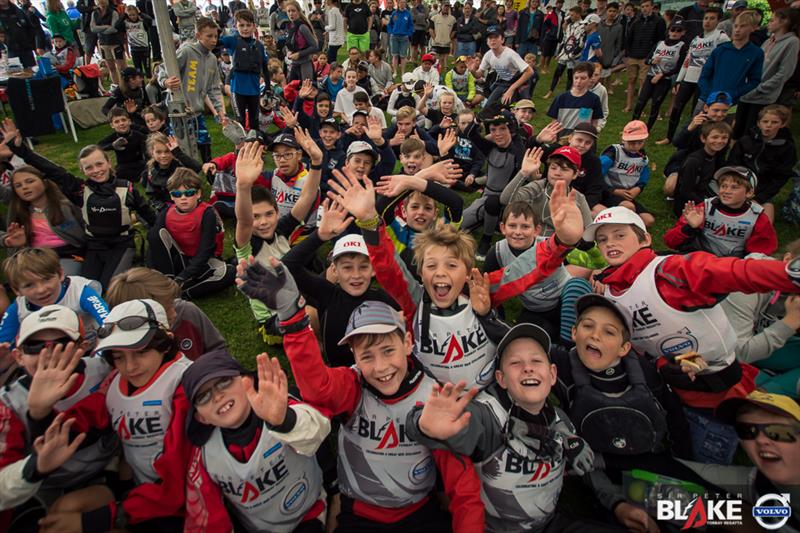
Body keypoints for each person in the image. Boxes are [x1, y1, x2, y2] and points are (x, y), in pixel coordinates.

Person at [582, 207, 800, 463]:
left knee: (704, 474)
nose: (610, 244)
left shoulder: (669, 272)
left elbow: (730, 272)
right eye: (603, 239)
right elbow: (646, 346)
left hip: (718, 401)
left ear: (645, 239)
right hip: (673, 394)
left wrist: (788, 275)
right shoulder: (610, 292)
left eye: (619, 235)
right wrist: (667, 365)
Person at [406, 324, 619, 533]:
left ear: (552, 374)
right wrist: (423, 425)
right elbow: (448, 426)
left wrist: (618, 503)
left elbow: (584, 461)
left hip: (550, 524)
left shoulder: (559, 418)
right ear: (501, 379)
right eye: (515, 363)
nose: (528, 368)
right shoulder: (487, 417)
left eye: (536, 360)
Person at [25, 299, 192, 531]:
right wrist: (39, 412)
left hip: (181, 498)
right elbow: (77, 423)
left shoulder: (183, 382)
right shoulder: (116, 382)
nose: (130, 366)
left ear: (165, 344)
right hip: (138, 485)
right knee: (61, 512)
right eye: (119, 357)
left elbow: (176, 483)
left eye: (140, 352)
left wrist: (97, 520)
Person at [181, 350, 331, 532]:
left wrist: (284, 421)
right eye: (203, 396)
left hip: (308, 514)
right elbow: (207, 517)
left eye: (224, 382)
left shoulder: (278, 407)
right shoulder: (205, 455)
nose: (217, 396)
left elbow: (318, 431)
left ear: (248, 381)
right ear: (201, 418)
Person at [0, 306, 115, 530]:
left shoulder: (106, 371)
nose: (48, 353)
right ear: (19, 356)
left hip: (108, 474)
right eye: (35, 346)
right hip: (41, 489)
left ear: (83, 347)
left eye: (61, 343)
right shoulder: (8, 402)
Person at [233, 135, 322, 343]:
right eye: (256, 216)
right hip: (273, 318)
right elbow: (244, 221)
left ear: (276, 212)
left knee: (335, 275)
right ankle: (317, 357)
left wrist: (317, 163)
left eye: (268, 214)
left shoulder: (281, 229)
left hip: (293, 296)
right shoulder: (247, 245)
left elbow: (307, 197)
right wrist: (243, 186)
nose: (263, 222)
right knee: (314, 314)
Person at [722, 241, 800, 395]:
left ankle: (769, 389)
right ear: (787, 260)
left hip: (768, 350)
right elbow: (737, 354)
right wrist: (789, 323)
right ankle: (765, 393)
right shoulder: (750, 279)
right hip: (729, 357)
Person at [147, 169, 234, 299]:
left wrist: (183, 276)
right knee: (155, 233)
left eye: (188, 193)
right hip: (179, 259)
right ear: (171, 196)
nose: (183, 198)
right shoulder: (166, 212)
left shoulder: (207, 213)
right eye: (177, 194)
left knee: (229, 272)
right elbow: (155, 243)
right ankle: (166, 282)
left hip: (201, 261)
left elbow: (206, 250)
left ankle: (182, 293)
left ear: (198, 193)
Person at [105, 267, 225, 361]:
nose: (174, 314)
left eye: (172, 303)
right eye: (166, 310)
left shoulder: (186, 312)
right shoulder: (122, 349)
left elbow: (218, 349)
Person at [0, 248, 108, 345]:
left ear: (61, 274)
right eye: (29, 285)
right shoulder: (18, 308)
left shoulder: (79, 292)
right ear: (17, 290)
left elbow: (108, 322)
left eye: (47, 279)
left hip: (90, 352)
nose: (41, 289)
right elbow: (4, 344)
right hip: (43, 359)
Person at [666, 165, 777, 258]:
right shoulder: (704, 208)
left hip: (731, 268)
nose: (726, 191)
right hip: (698, 259)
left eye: (734, 187)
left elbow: (759, 255)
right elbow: (670, 242)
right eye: (724, 186)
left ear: (749, 192)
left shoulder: (757, 218)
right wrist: (689, 227)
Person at [163, 17, 228, 163]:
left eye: (216, 36)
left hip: (197, 111)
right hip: (179, 111)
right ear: (198, 35)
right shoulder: (187, 51)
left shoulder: (212, 59)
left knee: (204, 143)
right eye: (209, 36)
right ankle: (182, 177)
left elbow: (214, 89)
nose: (213, 40)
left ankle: (209, 173)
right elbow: (163, 68)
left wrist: (219, 110)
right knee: (179, 148)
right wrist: (165, 81)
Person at [661, 6, 728, 145]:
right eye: (706, 18)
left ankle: (692, 138)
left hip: (705, 82)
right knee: (676, 108)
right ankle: (669, 137)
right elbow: (687, 60)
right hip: (688, 78)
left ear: (718, 21)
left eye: (712, 18)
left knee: (697, 112)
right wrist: (679, 80)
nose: (707, 21)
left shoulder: (721, 37)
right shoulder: (695, 40)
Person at [3, 164, 87, 275]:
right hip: (35, 257)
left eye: (30, 181)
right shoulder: (19, 212)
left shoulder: (65, 207)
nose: (24, 187)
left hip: (68, 255)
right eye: (18, 186)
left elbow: (83, 232)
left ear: (45, 182)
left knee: (58, 280)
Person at [733, 8, 800, 140]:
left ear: (784, 21)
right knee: (737, 131)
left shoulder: (792, 42)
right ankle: (733, 158)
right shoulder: (768, 41)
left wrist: (761, 88)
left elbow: (784, 73)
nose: (768, 23)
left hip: (762, 97)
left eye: (772, 20)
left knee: (750, 134)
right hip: (747, 93)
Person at [727, 104, 798, 222]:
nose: (768, 126)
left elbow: (780, 178)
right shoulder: (745, 141)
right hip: (740, 184)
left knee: (766, 218)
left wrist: (760, 198)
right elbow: (732, 165)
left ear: (783, 124)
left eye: (774, 122)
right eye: (765, 121)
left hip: (763, 191)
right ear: (759, 123)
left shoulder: (787, 148)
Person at [697, 9, 764, 109]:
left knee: (724, 125)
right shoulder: (720, 50)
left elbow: (754, 80)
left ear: (753, 28)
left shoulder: (756, 53)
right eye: (736, 26)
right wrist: (710, 95)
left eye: (743, 26)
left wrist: (734, 93)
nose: (737, 30)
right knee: (695, 123)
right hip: (707, 99)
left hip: (731, 102)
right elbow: (704, 75)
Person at [219, 10, 271, 131]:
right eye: (241, 25)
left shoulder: (259, 45)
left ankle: (256, 145)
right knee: (240, 121)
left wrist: (268, 87)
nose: (245, 28)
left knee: (254, 121)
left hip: (254, 89)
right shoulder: (232, 41)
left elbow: (265, 67)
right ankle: (241, 148)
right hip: (238, 89)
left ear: (254, 26)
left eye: (248, 25)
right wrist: (218, 26)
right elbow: (215, 41)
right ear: (236, 26)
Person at [632, 20, 687, 131]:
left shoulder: (682, 46)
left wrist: (663, 74)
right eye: (673, 29)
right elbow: (647, 60)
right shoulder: (659, 43)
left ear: (683, 32)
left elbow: (679, 67)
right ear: (669, 31)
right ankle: (632, 127)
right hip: (651, 76)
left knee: (655, 105)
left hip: (664, 79)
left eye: (678, 30)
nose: (675, 32)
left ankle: (647, 130)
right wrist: (652, 61)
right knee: (640, 102)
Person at [597, 120, 655, 227]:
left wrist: (638, 188)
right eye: (632, 142)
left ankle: (622, 222)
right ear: (623, 139)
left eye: (640, 142)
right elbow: (596, 176)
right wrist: (614, 191)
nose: (636, 146)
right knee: (629, 207)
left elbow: (643, 176)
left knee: (649, 220)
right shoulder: (613, 153)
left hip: (626, 195)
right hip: (607, 192)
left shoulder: (643, 157)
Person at [671, 120, 731, 215]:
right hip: (688, 205)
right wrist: (708, 204)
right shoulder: (694, 161)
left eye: (724, 138)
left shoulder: (717, 156)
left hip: (705, 194)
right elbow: (686, 191)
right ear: (703, 138)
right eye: (715, 137)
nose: (719, 141)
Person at [468, 25, 534, 108]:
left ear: (502, 40)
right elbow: (479, 74)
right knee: (488, 107)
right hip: (504, 82)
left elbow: (530, 71)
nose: (493, 40)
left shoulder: (510, 54)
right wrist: (472, 70)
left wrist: (511, 89)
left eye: (496, 37)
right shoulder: (488, 55)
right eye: (490, 38)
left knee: (514, 108)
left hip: (520, 82)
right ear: (487, 42)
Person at [622, 0, 666, 114]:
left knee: (643, 82)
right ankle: (629, 105)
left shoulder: (659, 21)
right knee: (631, 80)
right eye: (642, 6)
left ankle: (639, 107)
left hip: (647, 57)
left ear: (652, 7)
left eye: (647, 6)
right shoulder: (636, 21)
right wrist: (627, 53)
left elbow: (660, 40)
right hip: (633, 55)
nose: (644, 8)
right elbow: (629, 38)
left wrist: (652, 56)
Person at [142, 132, 203, 213]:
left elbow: (197, 167)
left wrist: (178, 153)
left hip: (187, 202)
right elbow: (152, 196)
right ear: (152, 153)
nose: (163, 155)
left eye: (167, 151)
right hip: (166, 207)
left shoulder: (179, 165)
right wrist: (163, 209)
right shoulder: (151, 172)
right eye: (158, 152)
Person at [546, 61, 604, 133]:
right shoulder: (561, 98)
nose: (578, 81)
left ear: (590, 78)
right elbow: (554, 122)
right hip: (561, 138)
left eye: (583, 78)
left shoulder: (594, 99)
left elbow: (594, 123)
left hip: (582, 138)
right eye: (576, 78)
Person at [543, 6, 584, 98]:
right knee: (558, 71)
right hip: (565, 52)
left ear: (578, 14)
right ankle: (550, 91)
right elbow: (565, 39)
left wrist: (573, 54)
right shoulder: (569, 25)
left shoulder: (583, 26)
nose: (571, 17)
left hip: (574, 54)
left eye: (572, 15)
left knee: (571, 74)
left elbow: (581, 43)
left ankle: (567, 94)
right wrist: (560, 52)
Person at [98, 108, 148, 184]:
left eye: (123, 120)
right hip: (123, 166)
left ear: (129, 121)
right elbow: (99, 146)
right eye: (117, 122)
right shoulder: (113, 137)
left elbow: (148, 141)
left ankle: (141, 177)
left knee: (148, 167)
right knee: (118, 172)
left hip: (139, 163)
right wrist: (112, 145)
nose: (121, 123)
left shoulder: (138, 135)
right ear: (112, 125)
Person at [91, 0, 125, 89]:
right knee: (111, 67)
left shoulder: (113, 12)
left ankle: (124, 86)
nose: (101, 2)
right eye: (99, 1)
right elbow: (93, 28)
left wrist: (100, 29)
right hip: (103, 43)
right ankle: (116, 86)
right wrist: (106, 27)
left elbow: (114, 28)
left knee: (121, 67)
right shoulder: (94, 13)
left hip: (115, 42)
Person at [285, 0, 319, 82]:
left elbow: (315, 46)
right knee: (291, 89)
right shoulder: (291, 26)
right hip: (294, 63)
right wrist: (289, 51)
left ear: (299, 12)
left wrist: (299, 54)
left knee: (306, 89)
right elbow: (290, 44)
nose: (291, 13)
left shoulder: (302, 27)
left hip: (305, 63)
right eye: (288, 11)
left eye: (293, 11)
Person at [117, 4, 152, 78]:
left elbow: (149, 20)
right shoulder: (126, 23)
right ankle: (141, 87)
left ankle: (151, 85)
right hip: (134, 50)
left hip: (145, 49)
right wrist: (124, 15)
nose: (132, 17)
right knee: (138, 71)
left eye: (134, 15)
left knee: (148, 70)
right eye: (130, 15)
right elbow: (116, 26)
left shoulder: (142, 22)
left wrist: (140, 13)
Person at [388, 0, 414, 76]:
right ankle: (395, 72)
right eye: (401, 2)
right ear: (398, 4)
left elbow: (411, 25)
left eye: (404, 2)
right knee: (395, 55)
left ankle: (403, 73)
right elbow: (389, 24)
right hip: (394, 37)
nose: (402, 4)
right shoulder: (394, 13)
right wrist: (391, 32)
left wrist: (408, 34)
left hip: (404, 37)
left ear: (406, 4)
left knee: (403, 56)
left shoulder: (408, 14)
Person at [430, 3, 456, 69]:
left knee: (444, 58)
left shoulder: (453, 19)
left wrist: (449, 38)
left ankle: (444, 68)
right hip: (436, 42)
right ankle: (436, 69)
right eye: (445, 6)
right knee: (436, 59)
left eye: (448, 6)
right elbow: (430, 29)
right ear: (442, 7)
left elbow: (454, 30)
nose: (446, 8)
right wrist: (434, 38)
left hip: (446, 42)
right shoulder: (434, 17)